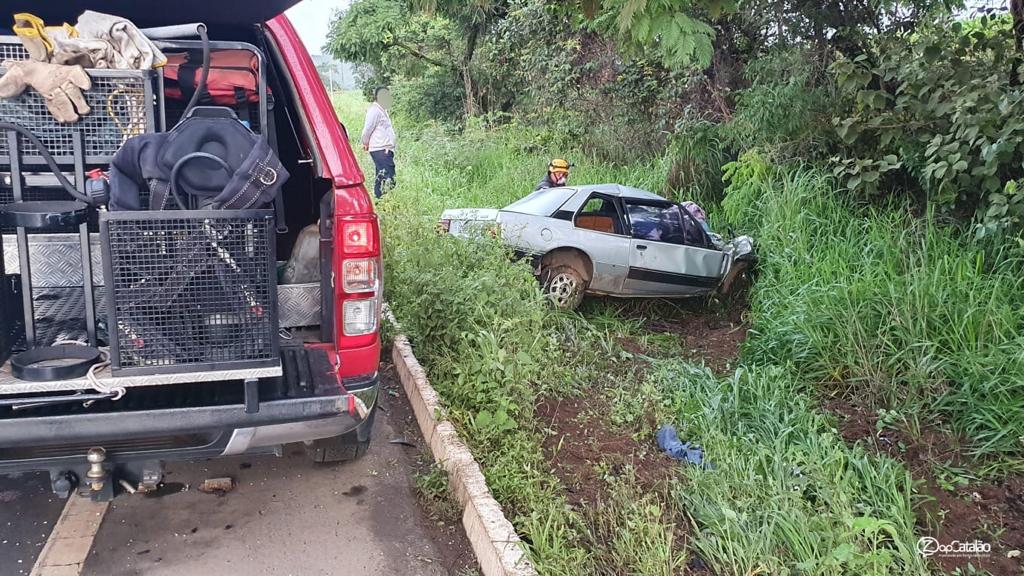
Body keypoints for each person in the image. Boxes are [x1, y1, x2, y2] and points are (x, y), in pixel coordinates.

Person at [361, 86, 396, 199]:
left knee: (381, 176)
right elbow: (367, 129)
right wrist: (365, 142)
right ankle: (385, 200)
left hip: (384, 149)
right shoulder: (374, 111)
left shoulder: (382, 110)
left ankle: (379, 200)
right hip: (380, 149)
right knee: (388, 177)